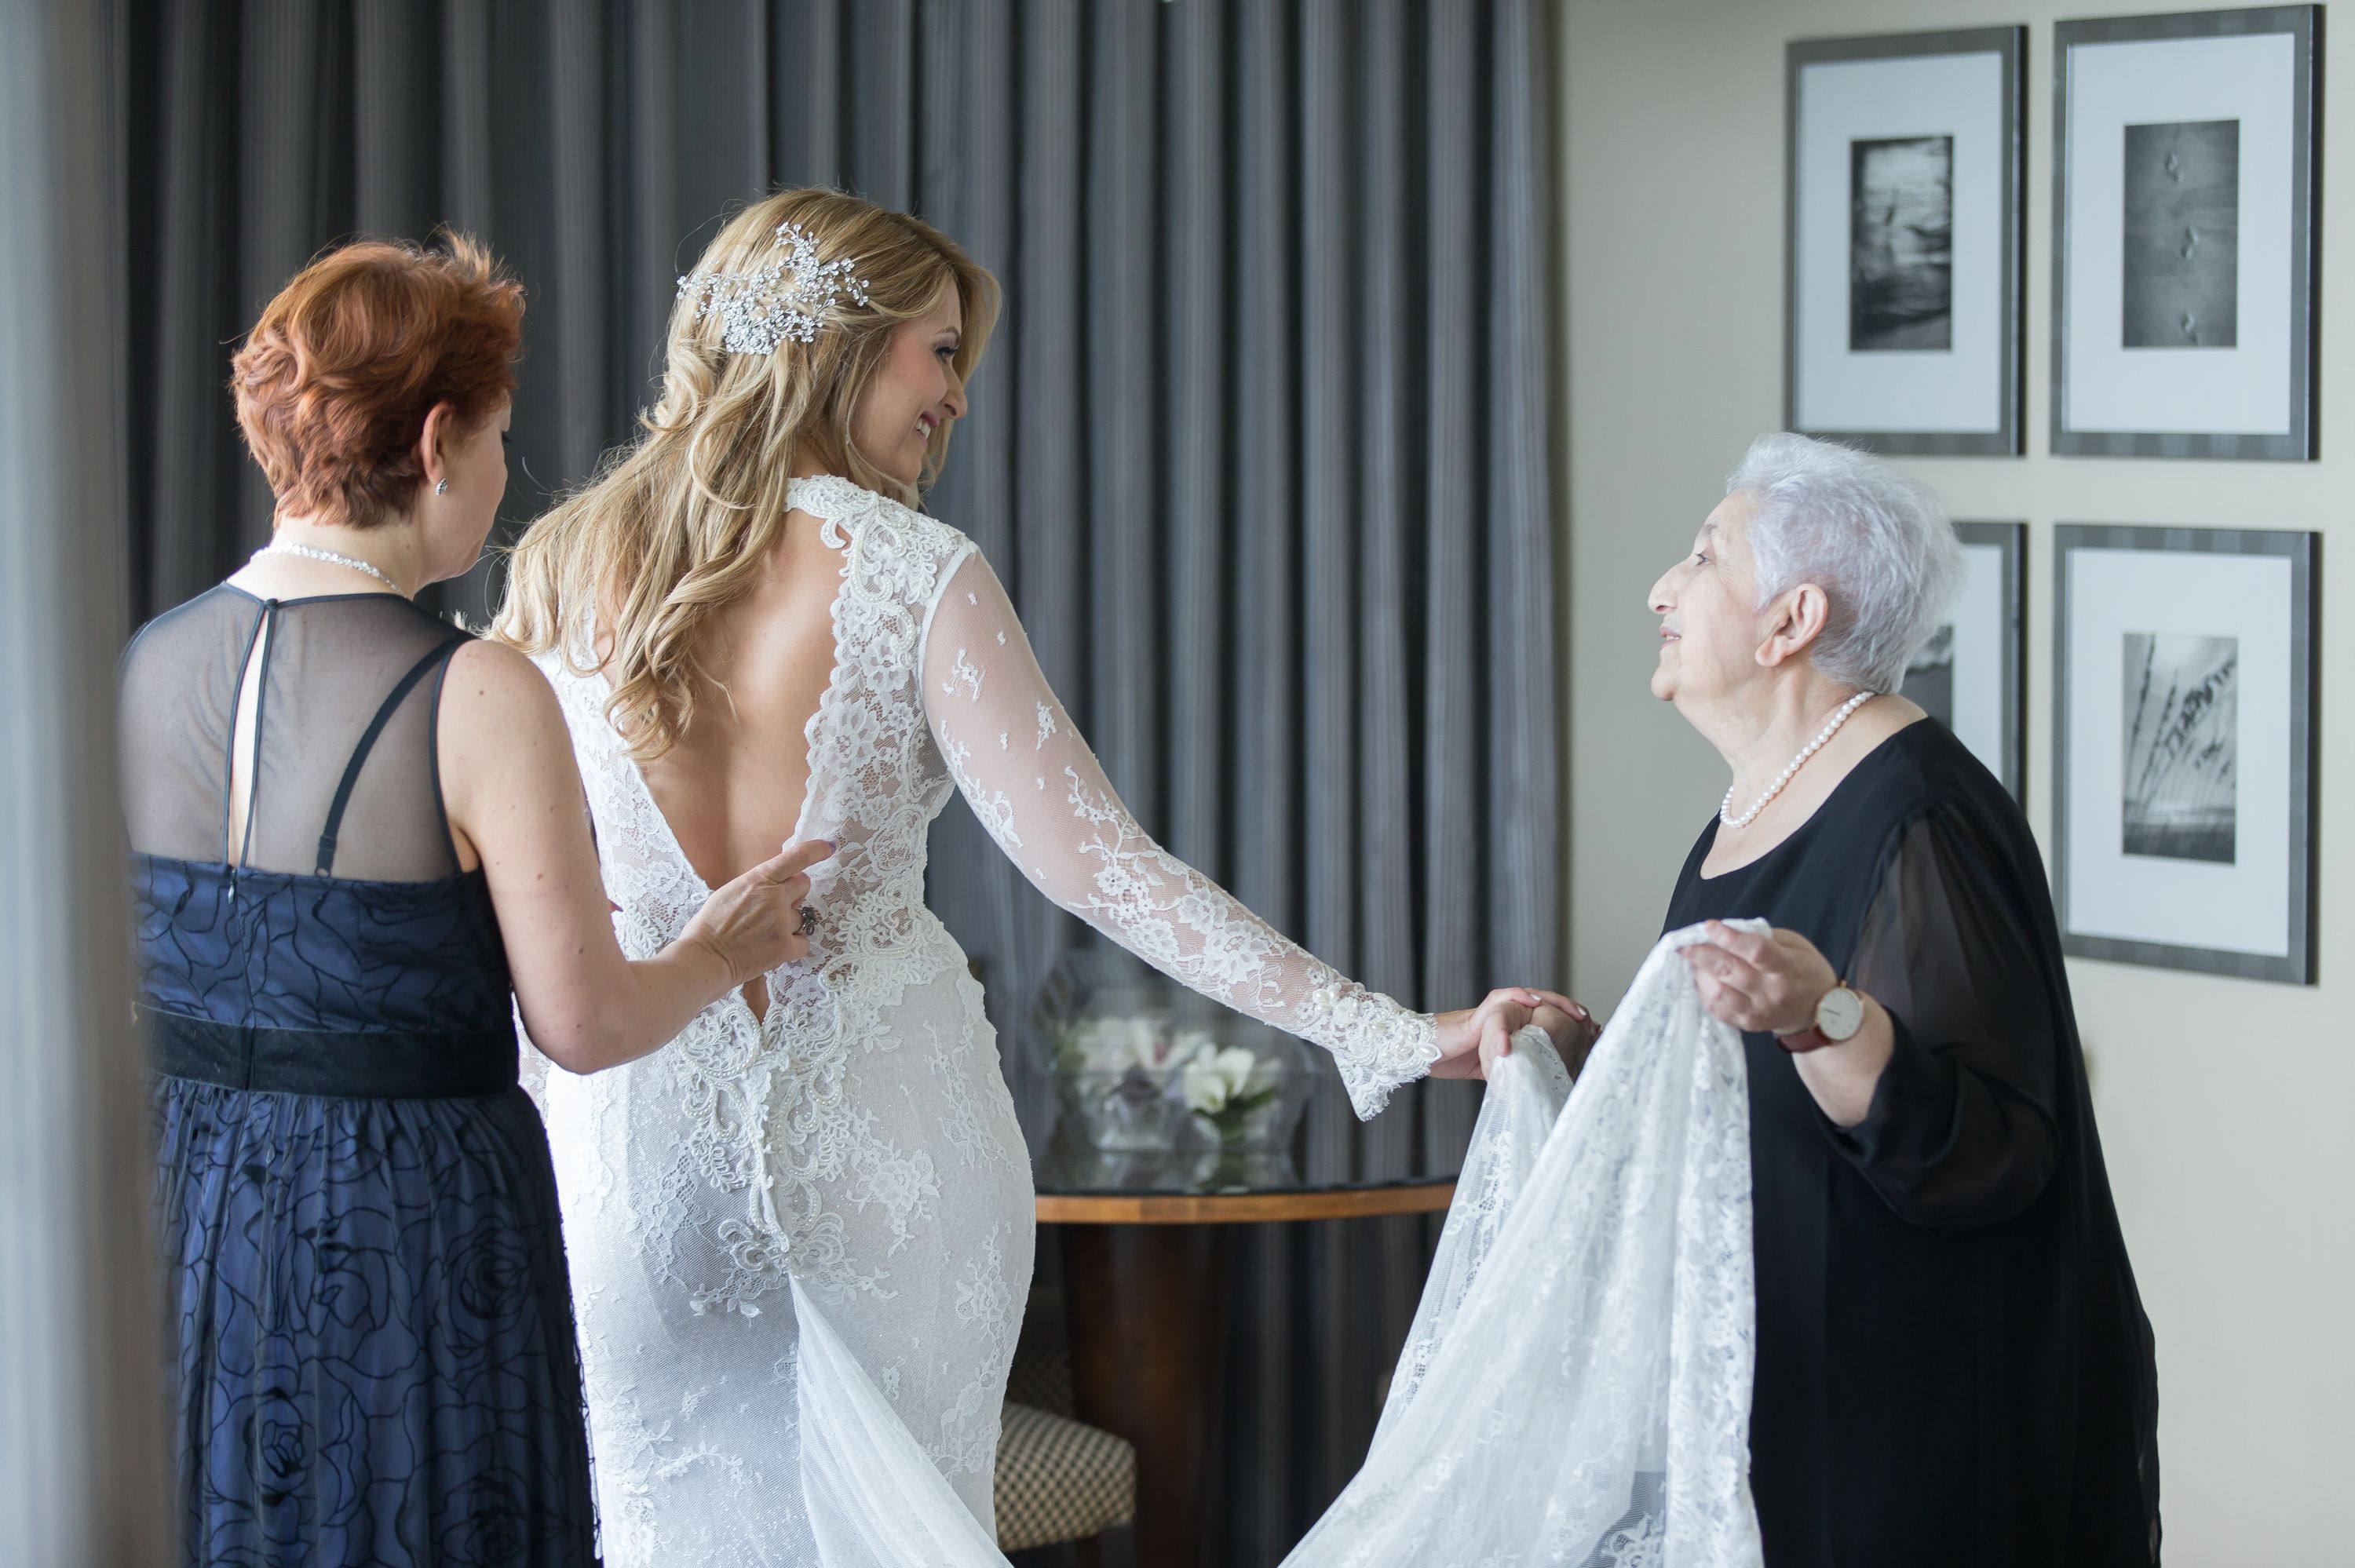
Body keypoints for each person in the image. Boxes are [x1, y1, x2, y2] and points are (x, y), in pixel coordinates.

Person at [492, 187, 1585, 1564]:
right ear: (840, 341)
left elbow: (512, 902)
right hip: (885, 1152)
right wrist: (1399, 1033)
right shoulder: (909, 570)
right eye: (938, 352)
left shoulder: (560, 567)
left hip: (635, 1164)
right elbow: (1113, 873)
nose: (955, 397)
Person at [119, 235, 829, 1566]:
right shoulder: (476, 691)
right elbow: (586, 1017)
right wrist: (716, 943)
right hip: (400, 1223)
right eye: (501, 433)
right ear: (440, 438)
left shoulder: (145, 664)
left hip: (187, 1203)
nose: (506, 473)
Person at [1644, 433, 2160, 1563]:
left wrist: (1821, 1014)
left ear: (1793, 622)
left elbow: (1994, 1150)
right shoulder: (1752, 803)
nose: (1662, 591)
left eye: (1703, 558)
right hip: (1775, 1383)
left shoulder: (1920, 811)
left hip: (1908, 1422)